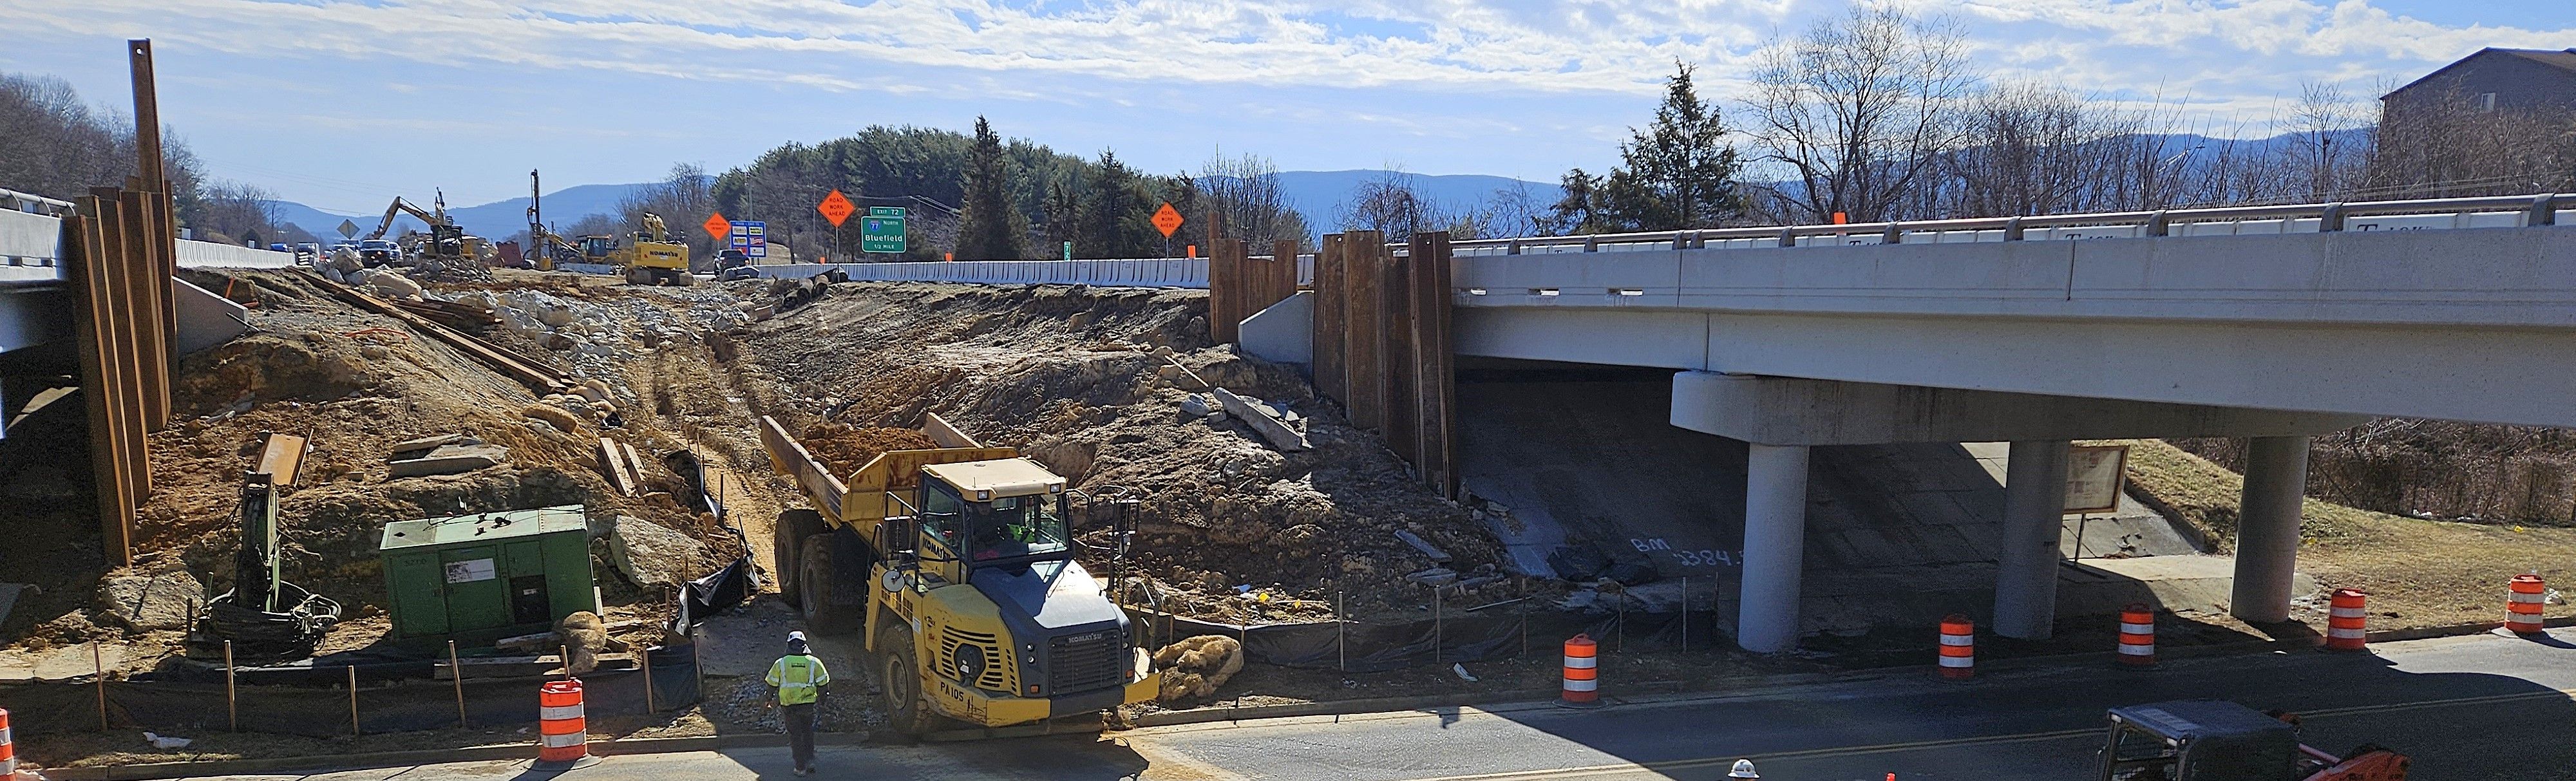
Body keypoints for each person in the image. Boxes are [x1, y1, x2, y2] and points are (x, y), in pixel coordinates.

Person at [765, 631, 832, 776]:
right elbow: (824, 684)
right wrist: (822, 701)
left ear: (789, 645)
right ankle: (810, 762)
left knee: (795, 735)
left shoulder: (781, 663)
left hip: (789, 705)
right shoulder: (814, 662)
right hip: (807, 705)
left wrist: (769, 698)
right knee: (807, 732)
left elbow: (771, 684)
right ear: (804, 645)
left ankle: (800, 768)